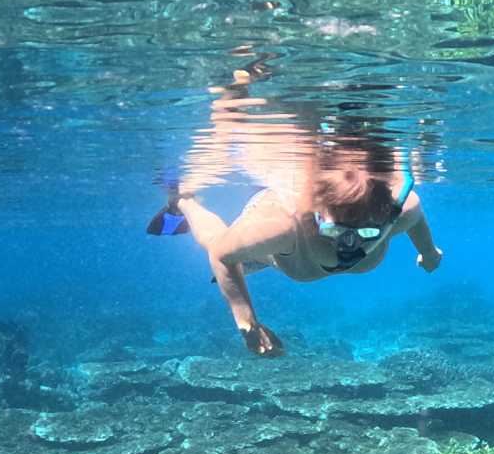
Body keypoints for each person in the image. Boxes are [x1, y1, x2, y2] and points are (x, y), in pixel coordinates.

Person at [148, 59, 443, 357]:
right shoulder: (284, 227)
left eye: (367, 231)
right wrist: (247, 322)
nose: (349, 244)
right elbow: (221, 255)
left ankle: (253, 258)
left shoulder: (400, 212)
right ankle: (184, 202)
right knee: (223, 244)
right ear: (316, 215)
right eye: (335, 229)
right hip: (276, 225)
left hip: (296, 255)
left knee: (249, 253)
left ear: (385, 216)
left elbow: (416, 218)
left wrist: (429, 252)